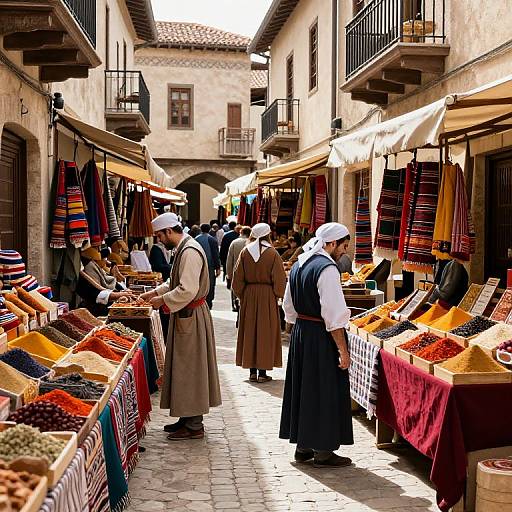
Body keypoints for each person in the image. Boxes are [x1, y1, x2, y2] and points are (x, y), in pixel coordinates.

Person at [140, 212, 221, 440]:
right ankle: (186, 417)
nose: (159, 240)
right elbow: (174, 281)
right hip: (186, 314)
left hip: (191, 316)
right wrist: (155, 293)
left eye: (159, 235)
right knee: (184, 368)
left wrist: (162, 301)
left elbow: (187, 289)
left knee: (191, 368)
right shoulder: (184, 249)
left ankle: (194, 425)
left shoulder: (190, 251)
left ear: (169, 231)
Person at [280, 222, 354, 468]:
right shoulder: (327, 269)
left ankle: (303, 447)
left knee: (305, 388)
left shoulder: (300, 264)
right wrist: (343, 350)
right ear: (331, 244)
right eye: (343, 246)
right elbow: (334, 315)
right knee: (323, 389)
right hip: (321, 335)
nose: (344, 251)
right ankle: (323, 450)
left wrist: (298, 329)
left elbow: (288, 308)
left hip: (302, 332)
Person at [232, 223, 287, 383]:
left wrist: (243, 294)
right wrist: (277, 294)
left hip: (249, 295)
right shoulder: (273, 254)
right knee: (265, 332)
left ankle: (251, 371)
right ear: (268, 235)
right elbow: (279, 279)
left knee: (250, 331)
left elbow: (237, 280)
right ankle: (262, 373)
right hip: (267, 296)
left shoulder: (245, 252)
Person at [76, 247, 133, 315]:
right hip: (92, 308)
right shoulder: (89, 268)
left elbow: (104, 286)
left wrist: (120, 293)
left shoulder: (98, 269)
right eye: (104, 259)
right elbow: (93, 292)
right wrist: (116, 295)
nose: (106, 261)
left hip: (100, 303)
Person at [195, 223, 221, 309]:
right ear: (209, 229)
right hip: (209, 266)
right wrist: (218, 268)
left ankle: (199, 300)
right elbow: (215, 255)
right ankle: (208, 302)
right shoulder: (212, 240)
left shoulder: (196, 239)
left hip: (198, 265)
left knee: (199, 283)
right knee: (209, 284)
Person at [226, 226, 251, 312]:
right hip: (248, 272)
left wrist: (229, 274)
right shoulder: (253, 243)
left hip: (235, 271)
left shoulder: (235, 243)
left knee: (235, 289)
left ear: (241, 233)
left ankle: (235, 305)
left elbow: (230, 260)